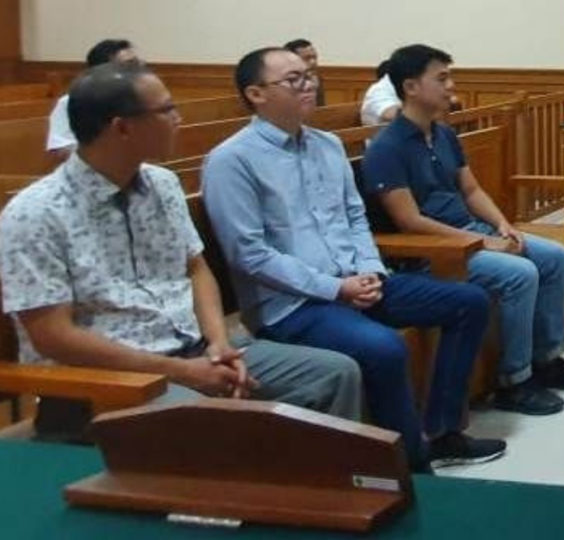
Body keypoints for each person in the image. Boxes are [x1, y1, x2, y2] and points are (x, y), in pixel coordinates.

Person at [0, 62, 363, 443]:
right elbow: (54, 338)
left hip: (192, 350)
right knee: (209, 417)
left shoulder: (162, 184)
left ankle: (308, 495)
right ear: (122, 127)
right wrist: (179, 371)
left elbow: (195, 267)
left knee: (334, 374)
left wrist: (219, 342)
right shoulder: (35, 213)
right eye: (166, 110)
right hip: (108, 382)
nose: (179, 118)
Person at [201, 47, 505, 470]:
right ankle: (410, 466)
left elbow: (354, 216)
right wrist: (335, 287)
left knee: (469, 302)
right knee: (382, 348)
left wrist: (369, 269)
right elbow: (249, 254)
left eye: (309, 76)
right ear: (256, 93)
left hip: (357, 280)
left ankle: (442, 432)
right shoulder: (232, 160)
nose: (309, 85)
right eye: (294, 80)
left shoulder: (326, 145)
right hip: (294, 305)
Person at [363, 44, 564, 417]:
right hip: (432, 252)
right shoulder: (387, 148)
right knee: (520, 274)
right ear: (410, 87)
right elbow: (411, 222)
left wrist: (502, 224)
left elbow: (470, 190)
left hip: (471, 233)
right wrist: (482, 242)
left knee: (555, 257)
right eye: (441, 78)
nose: (451, 86)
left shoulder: (442, 135)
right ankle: (514, 381)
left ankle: (546, 358)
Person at [46, 39, 141, 161]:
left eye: (138, 65)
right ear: (102, 71)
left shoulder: (144, 99)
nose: (139, 71)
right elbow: (60, 149)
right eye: (130, 65)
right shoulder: (72, 102)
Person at [283, 38, 326, 106]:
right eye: (307, 58)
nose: (313, 62)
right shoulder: (282, 83)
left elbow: (321, 110)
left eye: (314, 57)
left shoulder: (316, 79)